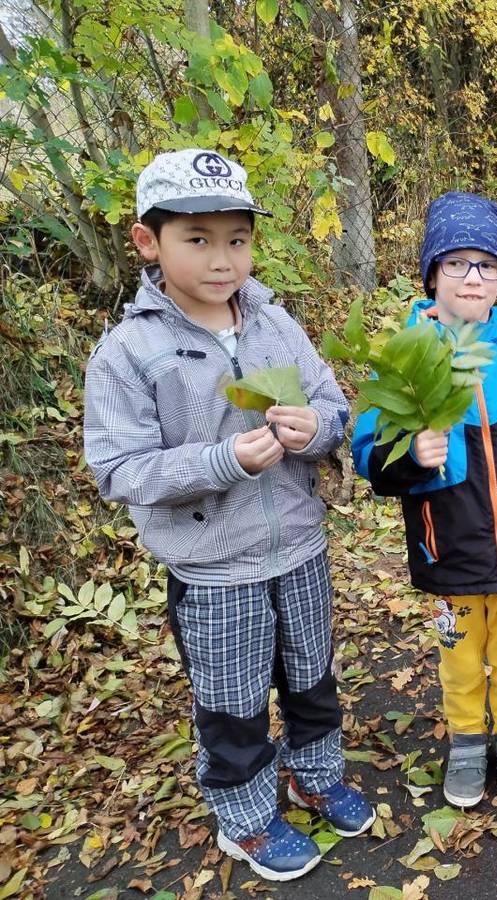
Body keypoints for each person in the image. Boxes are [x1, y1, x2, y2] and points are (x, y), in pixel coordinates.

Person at [84, 149, 372, 882]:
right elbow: (119, 470)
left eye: (236, 240)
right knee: (233, 703)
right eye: (198, 238)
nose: (222, 259)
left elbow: (333, 404)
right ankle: (244, 818)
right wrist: (223, 462)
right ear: (149, 241)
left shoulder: (276, 325)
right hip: (214, 572)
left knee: (313, 679)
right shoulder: (131, 352)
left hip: (300, 550)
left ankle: (315, 773)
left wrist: (321, 429)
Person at [351, 191, 497, 810]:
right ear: (431, 275)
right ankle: (465, 737)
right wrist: (408, 455)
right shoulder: (407, 357)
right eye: (455, 263)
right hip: (448, 549)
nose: (472, 276)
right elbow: (367, 449)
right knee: (458, 654)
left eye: (486, 264)